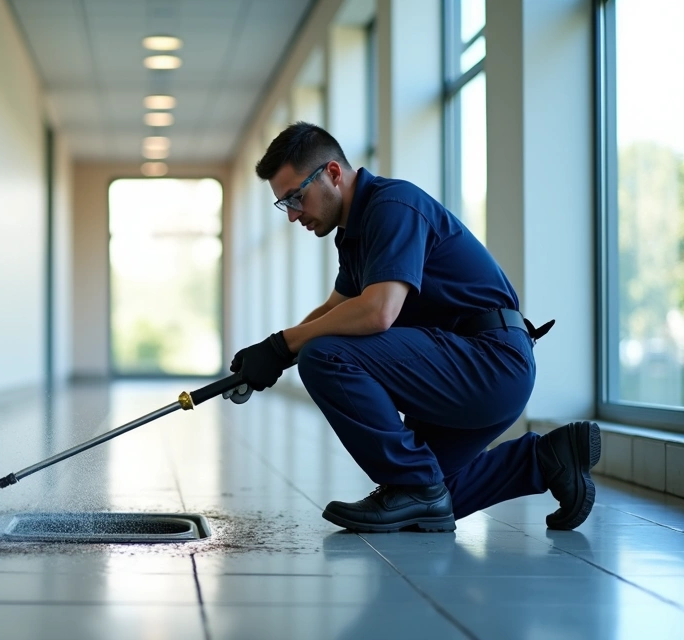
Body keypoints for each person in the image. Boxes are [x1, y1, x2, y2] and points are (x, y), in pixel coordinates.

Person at [229, 122, 601, 533]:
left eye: (296, 197)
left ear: (333, 173)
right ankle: (547, 459)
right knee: (432, 500)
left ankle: (417, 486)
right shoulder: (354, 232)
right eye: (284, 204)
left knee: (325, 355)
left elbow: (378, 312)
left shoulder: (392, 206)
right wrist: (272, 353)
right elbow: (337, 308)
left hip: (491, 362)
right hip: (462, 364)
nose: (294, 214)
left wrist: (287, 345)